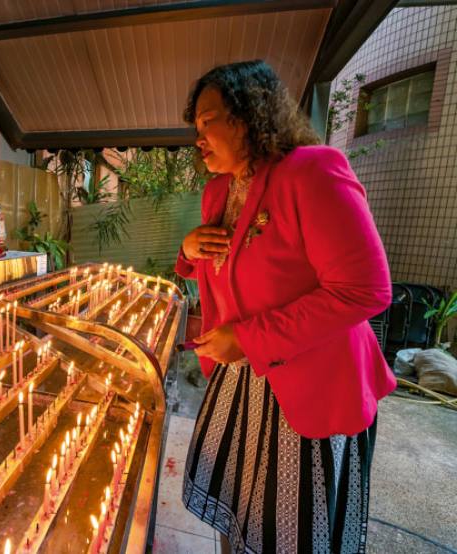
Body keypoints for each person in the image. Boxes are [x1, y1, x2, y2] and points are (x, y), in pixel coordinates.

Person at [175, 60, 396, 554]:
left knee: (289, 528)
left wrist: (248, 338)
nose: (199, 138)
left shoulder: (312, 172)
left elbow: (365, 290)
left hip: (308, 381)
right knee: (242, 506)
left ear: (249, 115)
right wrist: (188, 250)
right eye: (197, 128)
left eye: (208, 122)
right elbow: (224, 267)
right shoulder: (222, 188)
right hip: (244, 378)